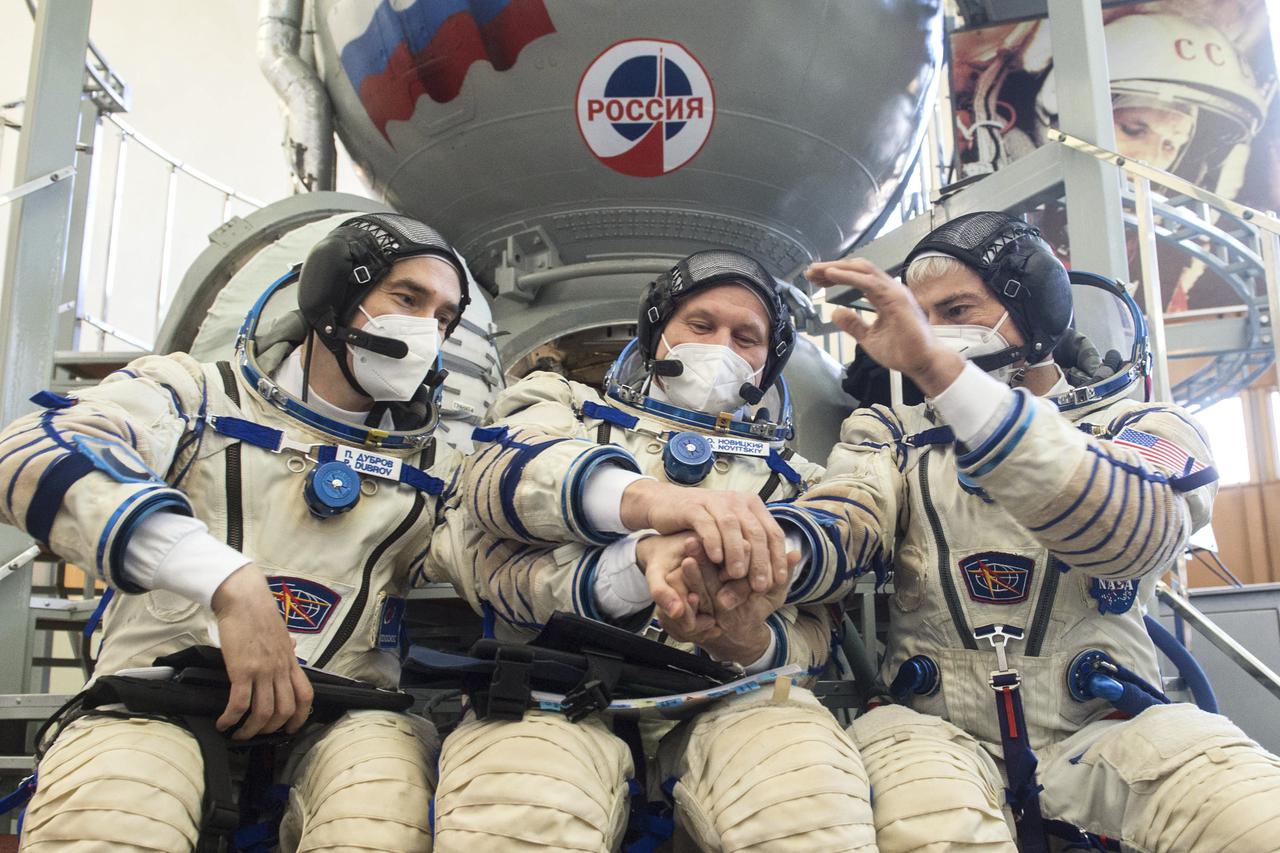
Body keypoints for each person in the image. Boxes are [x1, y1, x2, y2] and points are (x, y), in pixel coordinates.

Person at [0, 213, 477, 851]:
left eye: (442, 318)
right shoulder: (191, 397)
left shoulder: (437, 467)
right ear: (333, 298)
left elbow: (499, 555)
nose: (425, 331)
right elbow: (37, 454)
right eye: (407, 299)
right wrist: (229, 583)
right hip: (155, 699)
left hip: (344, 716)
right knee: (114, 816)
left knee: (380, 816)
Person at [806, 211, 1280, 852]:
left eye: (955, 310)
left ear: (1037, 308)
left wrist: (952, 384)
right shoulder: (889, 434)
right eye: (921, 316)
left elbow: (1135, 531)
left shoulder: (1145, 427)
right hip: (937, 736)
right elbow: (844, 520)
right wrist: (774, 551)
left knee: (1253, 811)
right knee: (930, 827)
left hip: (1106, 731)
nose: (931, 333)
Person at [431, 250, 881, 852]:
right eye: (701, 325)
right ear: (655, 332)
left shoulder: (799, 484)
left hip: (727, 705)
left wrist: (742, 636)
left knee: (803, 805)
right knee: (525, 807)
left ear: (768, 363)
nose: (720, 347)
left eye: (745, 337)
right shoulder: (561, 408)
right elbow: (499, 488)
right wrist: (646, 535)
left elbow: (820, 614)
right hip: (548, 696)